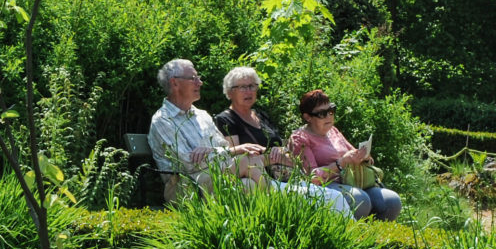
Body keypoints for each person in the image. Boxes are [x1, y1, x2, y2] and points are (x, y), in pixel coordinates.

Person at [216, 66, 352, 216]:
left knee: (334, 196)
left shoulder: (261, 115)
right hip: (264, 180)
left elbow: (288, 153)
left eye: (252, 86)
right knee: (333, 197)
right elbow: (237, 160)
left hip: (288, 176)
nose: (249, 91)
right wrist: (272, 158)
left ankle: (347, 236)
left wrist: (282, 154)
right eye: (242, 87)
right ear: (229, 92)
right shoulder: (226, 120)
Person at [147, 58, 268, 201]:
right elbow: (187, 163)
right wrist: (231, 150)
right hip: (185, 188)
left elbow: (222, 147)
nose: (200, 82)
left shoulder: (201, 115)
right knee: (247, 161)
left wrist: (210, 152)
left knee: (248, 185)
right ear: (175, 83)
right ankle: (279, 204)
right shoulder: (163, 120)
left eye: (199, 78)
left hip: (213, 175)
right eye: (193, 78)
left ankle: (269, 216)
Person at [288, 88, 402, 221]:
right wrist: (341, 163)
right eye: (322, 114)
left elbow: (352, 152)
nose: (329, 116)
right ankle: (353, 237)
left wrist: (363, 157)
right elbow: (311, 178)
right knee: (360, 200)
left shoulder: (333, 131)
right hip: (326, 186)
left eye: (331, 111)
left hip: (353, 181)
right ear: (308, 117)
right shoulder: (300, 138)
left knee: (392, 201)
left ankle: (377, 237)